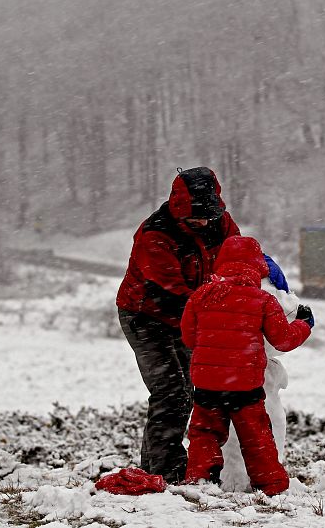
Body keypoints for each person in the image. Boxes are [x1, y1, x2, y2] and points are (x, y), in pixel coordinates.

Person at [116, 167, 240, 484]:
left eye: (207, 217)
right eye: (194, 220)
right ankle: (162, 468)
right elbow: (171, 295)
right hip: (147, 314)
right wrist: (218, 315)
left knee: (195, 389)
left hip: (192, 311)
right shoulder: (155, 235)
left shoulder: (220, 224)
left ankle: (192, 462)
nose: (202, 224)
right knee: (172, 392)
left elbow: (238, 259)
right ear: (178, 211)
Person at [180, 236, 314, 495]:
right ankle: (270, 486)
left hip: (207, 382)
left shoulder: (200, 297)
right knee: (256, 438)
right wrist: (304, 324)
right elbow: (283, 340)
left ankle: (199, 482)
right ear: (257, 267)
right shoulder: (262, 300)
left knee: (204, 435)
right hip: (245, 384)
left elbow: (188, 337)